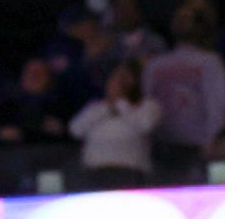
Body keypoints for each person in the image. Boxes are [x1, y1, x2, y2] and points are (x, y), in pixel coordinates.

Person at [144, 0, 225, 179]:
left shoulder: (209, 62)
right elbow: (147, 102)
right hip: (163, 147)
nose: (182, 22)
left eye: (188, 18)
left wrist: (210, 141)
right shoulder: (155, 65)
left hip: (197, 147)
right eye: (179, 18)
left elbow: (218, 105)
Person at [68, 59, 161, 189]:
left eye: (124, 78)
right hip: (95, 170)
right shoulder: (96, 107)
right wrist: (107, 108)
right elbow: (75, 130)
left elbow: (145, 125)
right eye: (115, 78)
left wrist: (121, 104)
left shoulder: (147, 106)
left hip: (130, 170)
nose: (119, 83)